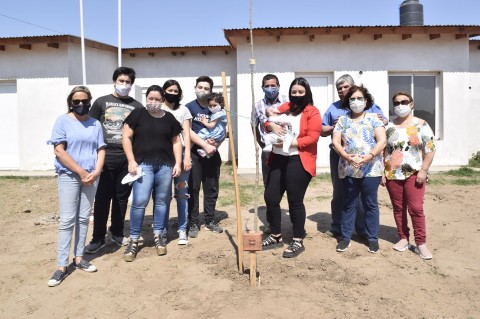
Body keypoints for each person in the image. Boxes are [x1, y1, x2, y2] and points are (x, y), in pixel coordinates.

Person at [47, 86, 106, 287]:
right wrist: (81, 172)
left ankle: (79, 258)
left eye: (84, 101)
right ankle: (62, 266)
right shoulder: (62, 121)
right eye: (76, 101)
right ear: (70, 103)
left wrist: (96, 172)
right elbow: (59, 151)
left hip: (91, 176)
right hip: (69, 176)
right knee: (67, 220)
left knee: (83, 218)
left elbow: (101, 149)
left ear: (89, 101)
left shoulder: (95, 124)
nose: (80, 105)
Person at [85, 67, 143, 254]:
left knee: (121, 198)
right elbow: (90, 128)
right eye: (121, 81)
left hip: (126, 158)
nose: (124, 85)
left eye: (128, 82)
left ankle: (117, 233)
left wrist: (135, 159)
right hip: (103, 157)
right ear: (114, 81)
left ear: (132, 84)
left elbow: (140, 134)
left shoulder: (137, 106)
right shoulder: (101, 102)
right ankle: (98, 238)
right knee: (102, 199)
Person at [261, 77, 322, 258]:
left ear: (307, 93)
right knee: (271, 197)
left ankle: (297, 239)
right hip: (278, 159)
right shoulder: (285, 107)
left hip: (298, 160)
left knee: (295, 201)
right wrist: (271, 125)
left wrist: (289, 143)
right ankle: (276, 235)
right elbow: (267, 121)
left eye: (300, 92)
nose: (296, 95)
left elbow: (312, 137)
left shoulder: (312, 112)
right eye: (293, 92)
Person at [321, 74, 388, 239]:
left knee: (362, 195)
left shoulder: (369, 106)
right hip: (340, 156)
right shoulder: (333, 108)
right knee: (339, 192)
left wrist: (382, 120)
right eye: (339, 88)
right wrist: (334, 126)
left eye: (345, 87)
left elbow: (383, 123)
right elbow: (322, 130)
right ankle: (338, 227)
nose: (342, 90)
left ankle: (362, 229)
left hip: (368, 158)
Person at [122, 85, 182, 261]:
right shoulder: (138, 114)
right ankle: (133, 240)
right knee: (140, 202)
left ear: (162, 100)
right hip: (143, 166)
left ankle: (158, 236)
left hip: (165, 166)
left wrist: (177, 163)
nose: (153, 102)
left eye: (157, 99)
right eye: (150, 99)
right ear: (146, 98)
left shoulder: (169, 118)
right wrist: (131, 160)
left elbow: (176, 141)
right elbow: (126, 137)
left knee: (162, 202)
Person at [382, 92, 436, 260]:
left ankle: (421, 243)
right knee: (398, 209)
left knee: (415, 209)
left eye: (404, 101)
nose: (400, 105)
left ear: (412, 104)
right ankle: (403, 238)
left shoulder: (422, 124)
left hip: (414, 173)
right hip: (392, 174)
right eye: (396, 103)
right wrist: (383, 172)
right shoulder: (389, 126)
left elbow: (430, 149)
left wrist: (424, 170)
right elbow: (384, 151)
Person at [186, 76, 224, 238]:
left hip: (213, 152)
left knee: (211, 188)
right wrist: (203, 143)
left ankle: (209, 220)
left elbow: (223, 129)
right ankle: (193, 222)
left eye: (206, 88)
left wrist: (215, 144)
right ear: (195, 88)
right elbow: (187, 130)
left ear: (210, 91)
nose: (202, 91)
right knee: (193, 188)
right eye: (200, 87)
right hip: (195, 153)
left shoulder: (215, 108)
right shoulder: (189, 108)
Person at [253, 74, 289, 234]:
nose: (270, 88)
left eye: (273, 85)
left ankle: (294, 220)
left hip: (288, 151)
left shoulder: (288, 101)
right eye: (266, 86)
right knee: (270, 188)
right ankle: (272, 222)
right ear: (262, 87)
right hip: (269, 153)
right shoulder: (258, 105)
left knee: (290, 185)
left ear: (279, 86)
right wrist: (260, 143)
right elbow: (254, 125)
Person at [161, 79, 192, 245]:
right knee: (164, 196)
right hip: (163, 158)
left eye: (175, 91)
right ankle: (163, 231)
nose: (172, 93)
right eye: (169, 90)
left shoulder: (184, 110)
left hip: (180, 157)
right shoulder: (158, 108)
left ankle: (182, 229)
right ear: (163, 91)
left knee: (182, 194)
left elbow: (186, 134)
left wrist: (187, 156)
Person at [196, 92, 227, 158]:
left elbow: (211, 125)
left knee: (200, 135)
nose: (212, 107)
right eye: (210, 105)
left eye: (214, 105)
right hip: (219, 133)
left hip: (215, 132)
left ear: (220, 104)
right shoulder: (222, 112)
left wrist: (204, 122)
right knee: (210, 143)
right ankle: (208, 153)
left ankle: (204, 151)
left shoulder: (217, 114)